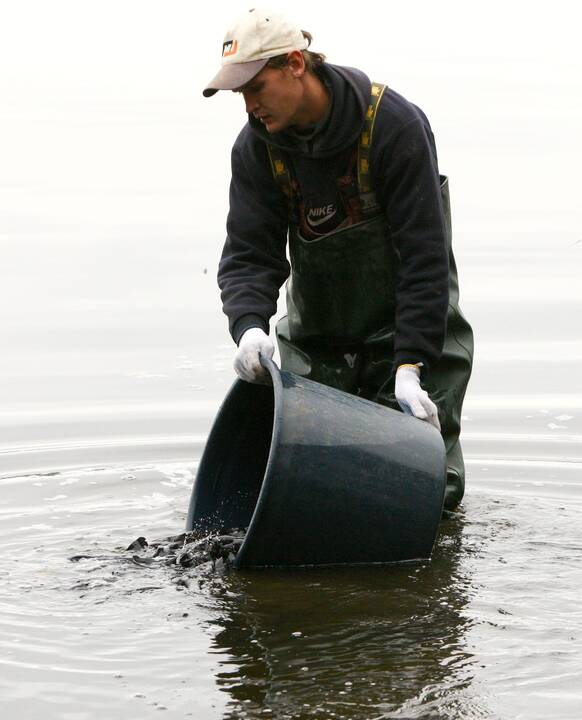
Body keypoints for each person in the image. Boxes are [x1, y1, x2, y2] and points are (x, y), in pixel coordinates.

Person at [203, 8, 474, 510]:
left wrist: (411, 364)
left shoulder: (393, 125)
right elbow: (248, 254)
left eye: (256, 87)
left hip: (412, 329)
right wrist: (248, 327)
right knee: (314, 493)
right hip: (318, 341)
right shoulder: (256, 150)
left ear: (296, 63)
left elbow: (424, 259)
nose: (249, 105)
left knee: (426, 494)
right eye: (239, 94)